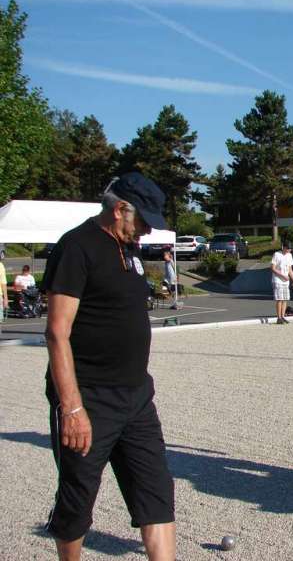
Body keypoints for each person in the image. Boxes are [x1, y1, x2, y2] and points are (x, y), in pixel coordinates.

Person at [42, 172, 175, 561]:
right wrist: (72, 408)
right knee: (77, 501)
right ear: (120, 210)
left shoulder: (129, 249)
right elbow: (56, 333)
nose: (147, 230)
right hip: (90, 400)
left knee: (156, 494)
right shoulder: (76, 247)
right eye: (143, 221)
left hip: (136, 397)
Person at [271, 241, 293, 324]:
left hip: (286, 281)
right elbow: (273, 268)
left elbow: (290, 269)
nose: (288, 251)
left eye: (289, 249)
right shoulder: (277, 254)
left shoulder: (289, 256)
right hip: (278, 280)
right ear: (283, 247)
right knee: (279, 299)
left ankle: (283, 316)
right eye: (287, 249)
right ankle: (278, 318)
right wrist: (282, 276)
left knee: (285, 299)